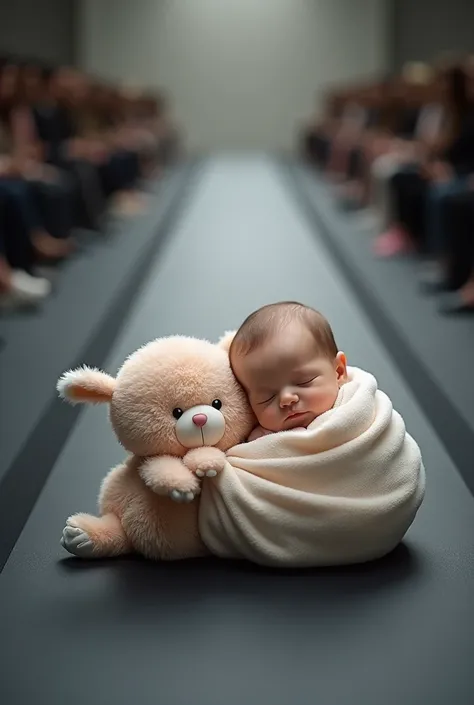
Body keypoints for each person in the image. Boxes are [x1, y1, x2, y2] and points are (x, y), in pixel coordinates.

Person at [229, 301, 348, 441]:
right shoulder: (258, 444)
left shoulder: (357, 406)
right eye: (268, 397)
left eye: (303, 381)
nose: (287, 398)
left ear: (339, 372)